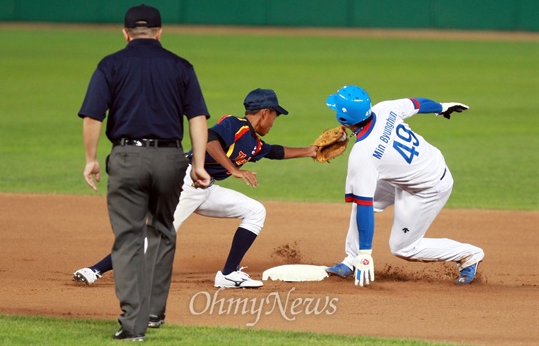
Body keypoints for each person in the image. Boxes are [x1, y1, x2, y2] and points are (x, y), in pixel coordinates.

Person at [74, 88, 319, 327]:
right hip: (183, 182)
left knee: (255, 210)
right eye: (275, 115)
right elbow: (210, 140)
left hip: (206, 189)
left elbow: (274, 152)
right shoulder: (235, 124)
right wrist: (233, 169)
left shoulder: (253, 142)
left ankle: (229, 274)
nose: (274, 122)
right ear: (265, 112)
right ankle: (95, 270)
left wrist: (310, 151)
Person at [78, 4, 211, 341]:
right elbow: (197, 117)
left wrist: (91, 159)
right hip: (170, 159)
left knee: (129, 239)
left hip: (126, 157)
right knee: (163, 230)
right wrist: (197, 163)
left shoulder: (111, 64)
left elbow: (93, 116)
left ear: (125, 34)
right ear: (159, 32)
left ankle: (132, 325)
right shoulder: (181, 66)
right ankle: (153, 312)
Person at [323, 85, 484, 287]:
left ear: (344, 120)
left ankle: (469, 255)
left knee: (404, 248)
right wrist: (441, 107)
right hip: (421, 167)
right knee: (361, 197)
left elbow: (365, 204)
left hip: (428, 188)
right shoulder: (385, 109)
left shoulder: (363, 154)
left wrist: (366, 253)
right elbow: (418, 104)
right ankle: (351, 260)